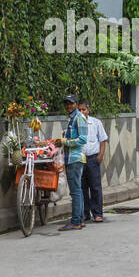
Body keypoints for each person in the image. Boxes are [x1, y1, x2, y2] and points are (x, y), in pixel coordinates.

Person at [52, 94, 87, 232]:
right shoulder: (72, 118)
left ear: (76, 104)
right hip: (72, 158)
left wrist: (65, 141)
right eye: (66, 103)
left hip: (75, 158)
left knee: (75, 191)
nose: (68, 106)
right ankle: (80, 219)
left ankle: (75, 222)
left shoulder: (79, 118)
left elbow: (83, 139)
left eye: (71, 103)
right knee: (78, 190)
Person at [77, 98, 108, 223]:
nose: (81, 112)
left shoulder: (96, 123)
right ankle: (85, 213)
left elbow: (103, 139)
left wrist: (100, 155)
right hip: (79, 160)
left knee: (95, 187)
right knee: (82, 187)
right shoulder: (75, 123)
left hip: (92, 159)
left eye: (83, 109)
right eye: (79, 110)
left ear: (88, 110)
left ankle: (97, 213)